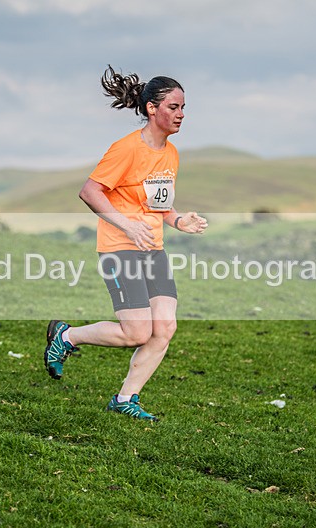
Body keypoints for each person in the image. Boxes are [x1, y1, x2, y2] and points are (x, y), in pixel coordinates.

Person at [43, 65, 208, 421]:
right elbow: (90, 192)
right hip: (120, 248)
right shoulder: (126, 149)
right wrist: (127, 226)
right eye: (173, 107)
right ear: (152, 108)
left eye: (183, 108)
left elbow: (158, 205)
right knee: (136, 331)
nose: (181, 114)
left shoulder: (171, 153)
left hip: (153, 249)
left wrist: (180, 220)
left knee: (164, 327)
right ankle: (67, 336)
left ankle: (124, 399)